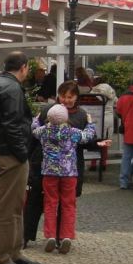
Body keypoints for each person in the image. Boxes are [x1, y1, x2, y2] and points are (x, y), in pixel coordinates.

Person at [23, 81, 109, 246]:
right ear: (58, 95)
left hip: (60, 167)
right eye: (63, 96)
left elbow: (35, 131)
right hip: (48, 165)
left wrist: (99, 144)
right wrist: (29, 160)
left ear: (76, 97)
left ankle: (59, 237)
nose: (66, 100)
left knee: (60, 203)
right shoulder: (48, 111)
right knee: (36, 202)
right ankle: (26, 236)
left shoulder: (81, 115)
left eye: (70, 97)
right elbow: (33, 139)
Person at [0, 51, 41, 264]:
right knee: (8, 209)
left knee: (13, 206)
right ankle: (1, 255)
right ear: (24, 67)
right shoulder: (13, 89)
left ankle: (14, 251)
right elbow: (13, 125)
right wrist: (22, 153)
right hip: (10, 156)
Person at [32, 103, 95, 255]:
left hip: (49, 173)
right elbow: (87, 136)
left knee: (50, 204)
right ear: (66, 117)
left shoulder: (44, 131)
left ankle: (50, 235)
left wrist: (36, 118)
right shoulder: (72, 132)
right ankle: (66, 235)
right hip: (69, 173)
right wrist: (90, 123)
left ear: (49, 118)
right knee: (68, 204)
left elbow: (33, 130)